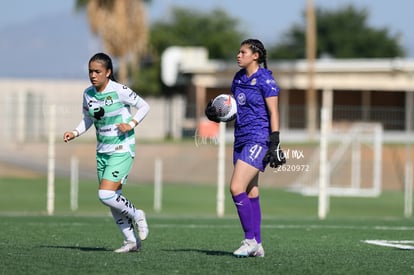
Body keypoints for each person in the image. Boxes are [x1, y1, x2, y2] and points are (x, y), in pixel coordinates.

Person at [205, 39, 286, 258]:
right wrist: (218, 114)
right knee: (251, 191)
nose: (238, 55)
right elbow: (234, 108)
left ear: (255, 56)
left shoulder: (266, 80)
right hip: (240, 138)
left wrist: (275, 140)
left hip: (258, 139)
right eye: (238, 52)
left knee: (235, 187)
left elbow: (274, 113)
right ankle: (257, 244)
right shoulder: (238, 78)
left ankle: (249, 239)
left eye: (243, 52)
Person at [63, 52, 150, 253]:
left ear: (108, 72)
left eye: (97, 71)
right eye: (90, 71)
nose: (93, 75)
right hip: (102, 151)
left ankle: (137, 214)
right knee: (113, 198)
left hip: (122, 148)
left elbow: (144, 106)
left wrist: (131, 123)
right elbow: (87, 118)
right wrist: (75, 132)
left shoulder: (119, 90)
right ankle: (131, 241)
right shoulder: (88, 94)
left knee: (105, 194)